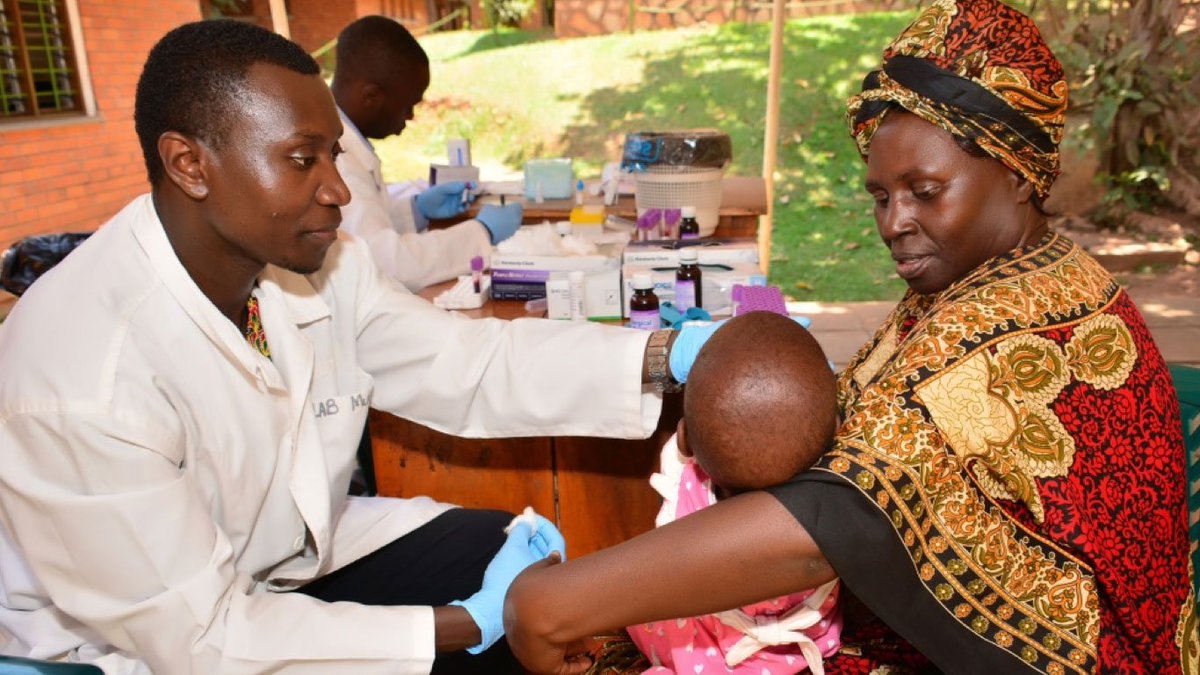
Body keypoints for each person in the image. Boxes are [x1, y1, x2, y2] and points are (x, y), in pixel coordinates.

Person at [0, 20, 715, 674]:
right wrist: (466, 622)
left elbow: (465, 361)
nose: (339, 189)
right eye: (301, 159)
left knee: (508, 559)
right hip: (131, 643)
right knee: (490, 637)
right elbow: (206, 639)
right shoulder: (83, 372)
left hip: (276, 557)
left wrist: (666, 354)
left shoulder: (307, 264)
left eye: (333, 156)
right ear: (190, 164)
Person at [504, 0, 1195, 672]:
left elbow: (845, 515)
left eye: (925, 190)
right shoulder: (998, 278)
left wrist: (559, 600)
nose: (894, 221)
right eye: (881, 195)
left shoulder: (1004, 330)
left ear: (1015, 175)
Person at [629, 312, 842, 675]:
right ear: (837, 431)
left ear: (683, 439)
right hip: (808, 641)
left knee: (636, 596)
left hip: (707, 654)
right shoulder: (837, 497)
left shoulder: (687, 494)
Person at [331, 15, 522, 292]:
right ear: (371, 97)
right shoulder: (336, 158)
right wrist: (483, 233)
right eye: (408, 104)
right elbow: (391, 264)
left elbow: (357, 232)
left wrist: (415, 210)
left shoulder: (346, 142)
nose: (410, 117)